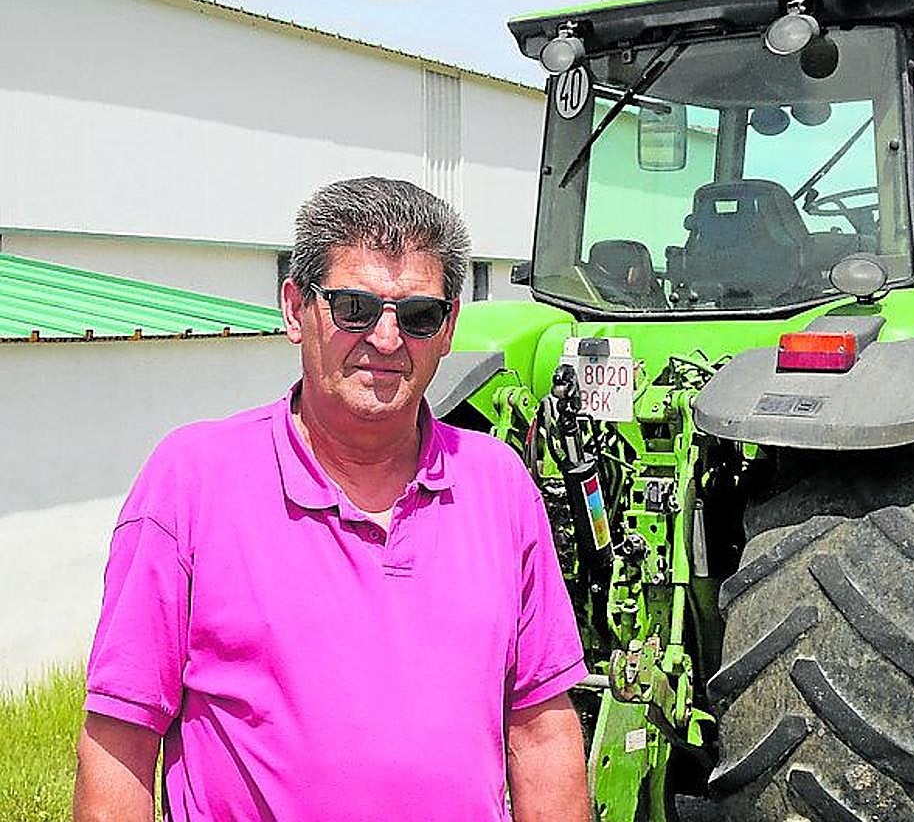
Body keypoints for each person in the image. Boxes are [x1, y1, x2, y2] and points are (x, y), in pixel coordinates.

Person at [73, 177, 590, 822]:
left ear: (449, 327)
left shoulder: (498, 485)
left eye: (419, 316)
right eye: (354, 308)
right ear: (296, 309)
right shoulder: (193, 483)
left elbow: (541, 731)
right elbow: (120, 739)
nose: (387, 339)